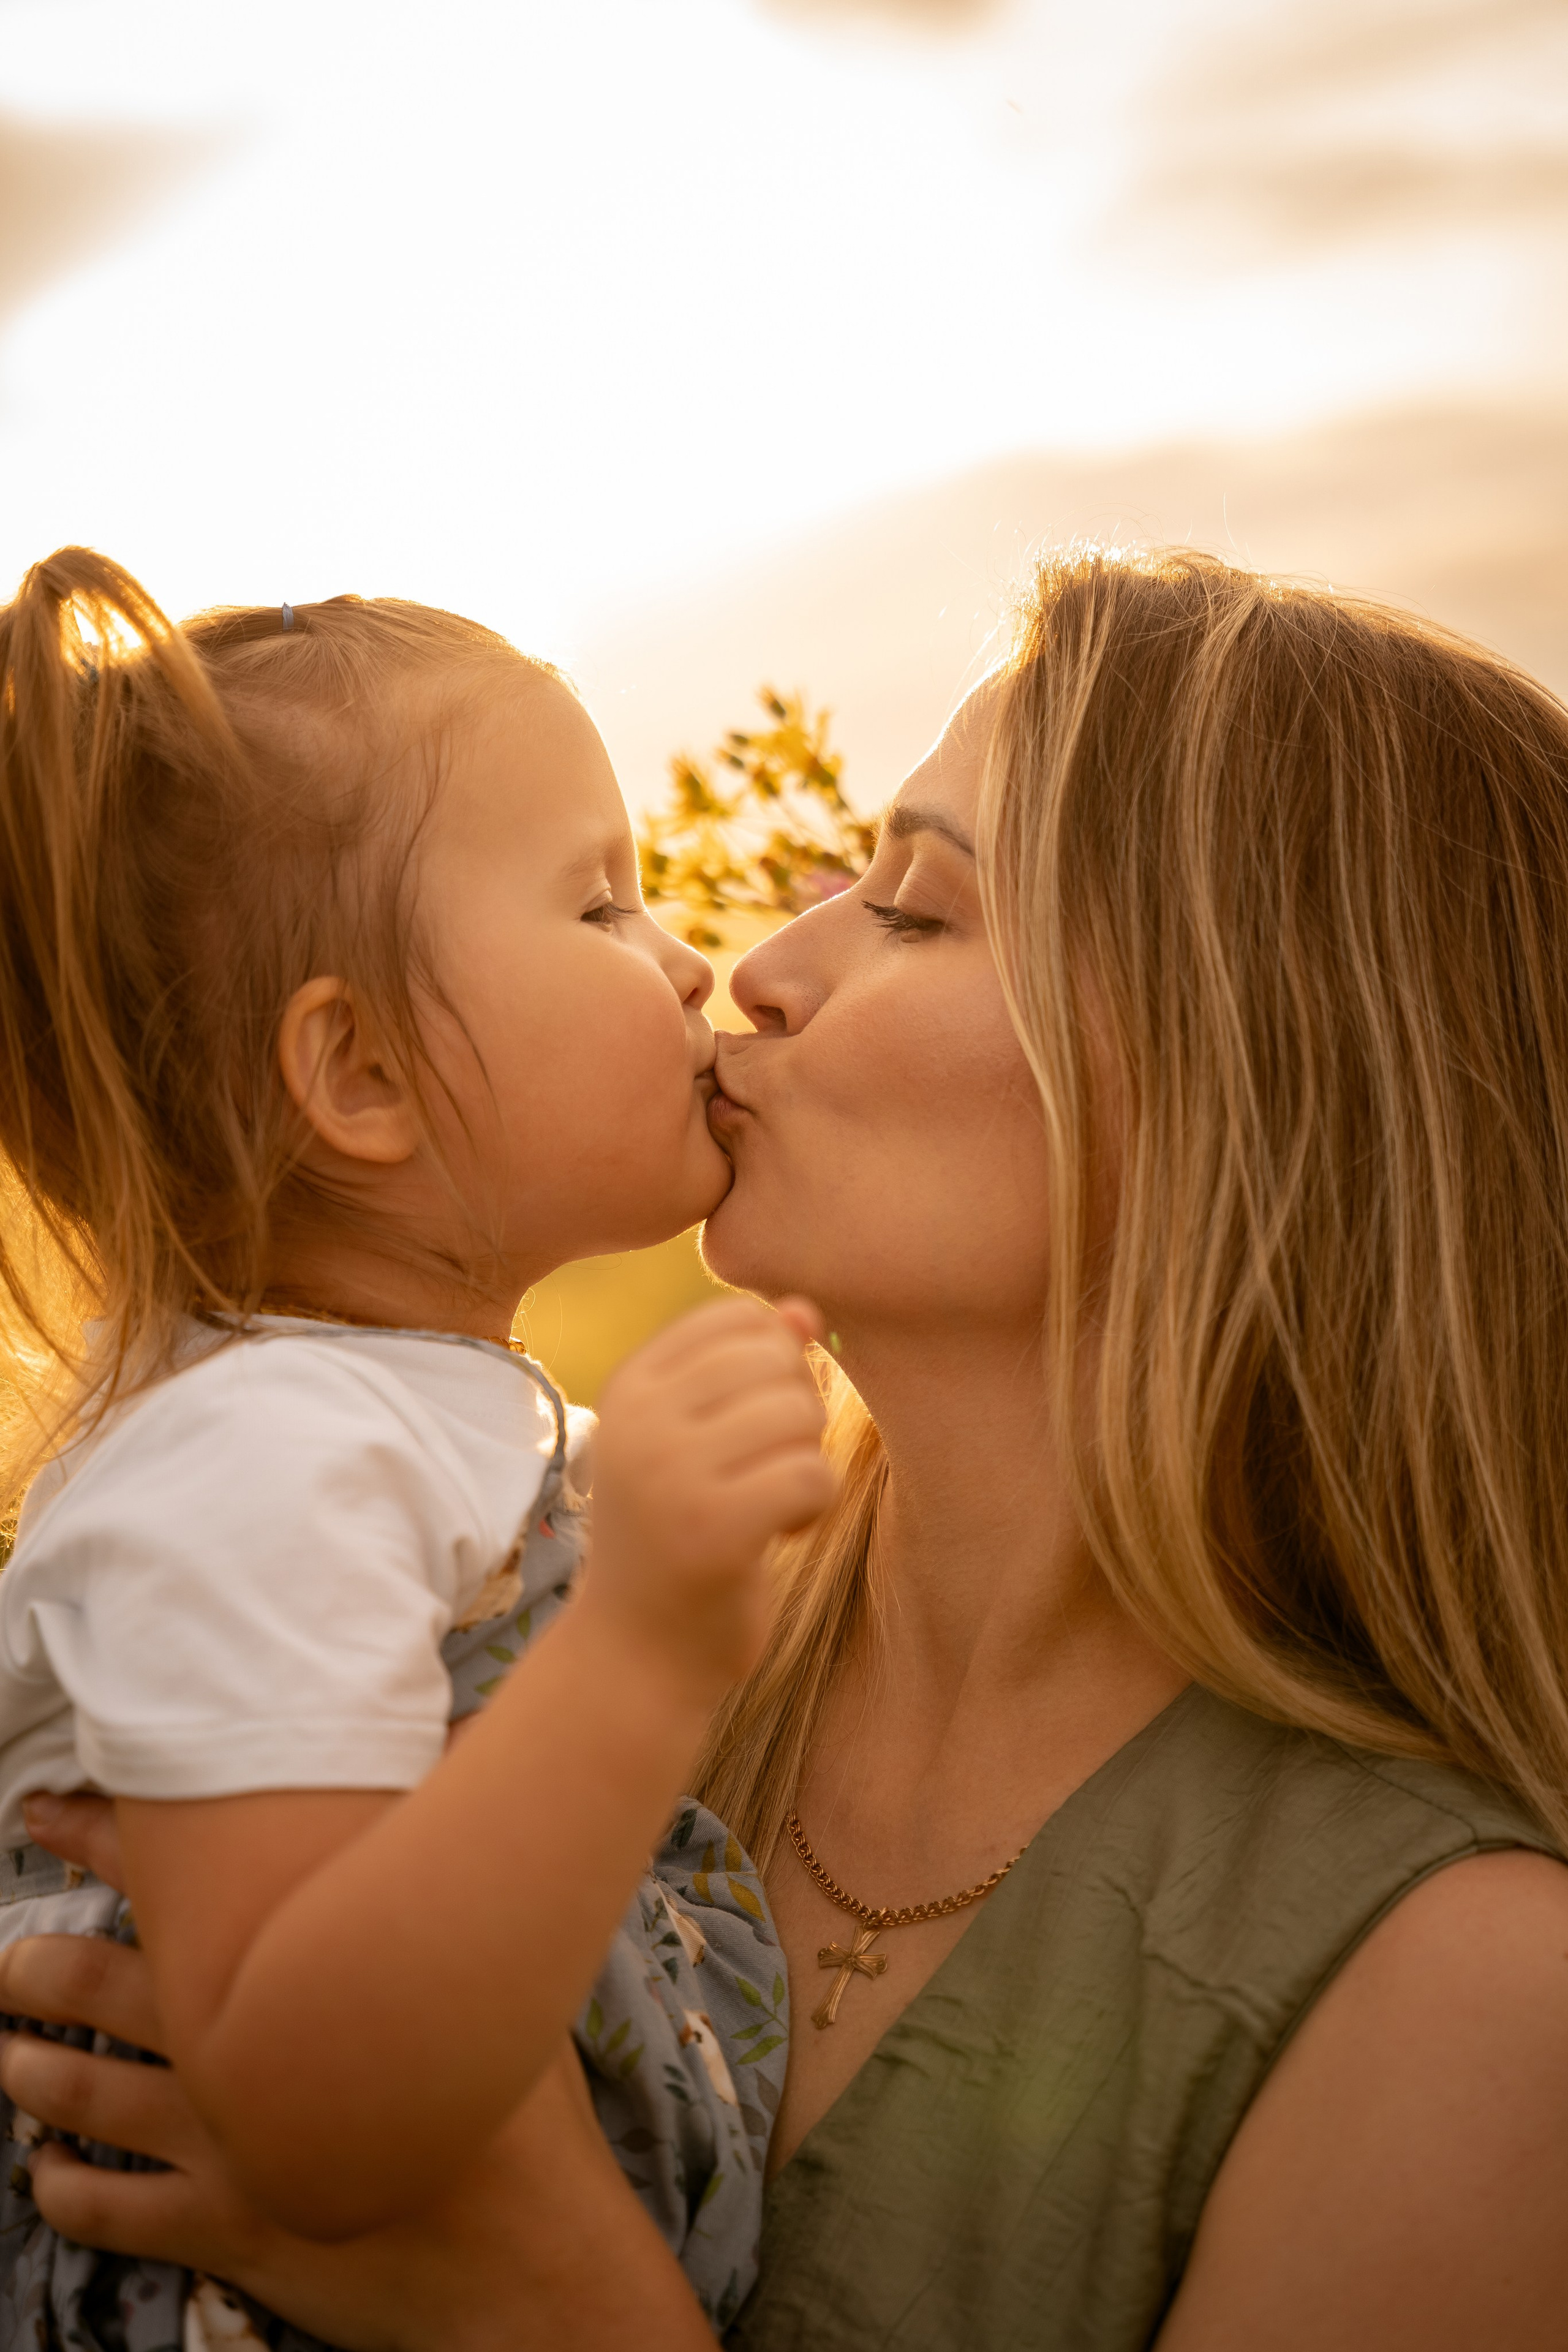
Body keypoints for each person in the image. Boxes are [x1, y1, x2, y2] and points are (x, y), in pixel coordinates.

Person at [7, 544, 1568, 2350]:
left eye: (911, 912)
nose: (751, 971)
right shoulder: (507, 1606)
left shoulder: (1468, 1996)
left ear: (1253, 1078)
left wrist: (556, 2310)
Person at [0, 550, 836, 2346]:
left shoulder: (387, 1430)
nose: (691, 956)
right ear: (360, 1074)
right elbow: (311, 2115)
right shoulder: (259, 1468)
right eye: (602, 906)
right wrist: (645, 1640)